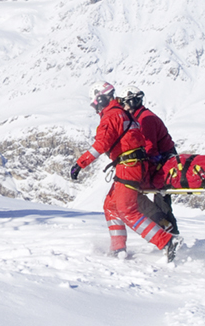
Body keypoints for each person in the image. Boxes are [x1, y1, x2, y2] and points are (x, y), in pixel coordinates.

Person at [70, 82, 180, 261]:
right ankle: (118, 248)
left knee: (126, 210)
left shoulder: (112, 115)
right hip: (131, 165)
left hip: (129, 166)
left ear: (101, 98)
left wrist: (79, 164)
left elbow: (101, 144)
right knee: (110, 206)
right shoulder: (122, 113)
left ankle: (166, 241)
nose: (96, 108)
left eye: (96, 103)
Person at [117, 87, 179, 235]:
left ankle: (166, 227)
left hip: (162, 164)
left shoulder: (145, 120)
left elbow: (150, 148)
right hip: (161, 162)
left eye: (124, 104)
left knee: (132, 192)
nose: (123, 108)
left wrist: (142, 171)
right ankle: (168, 229)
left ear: (132, 102)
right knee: (161, 199)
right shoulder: (140, 118)